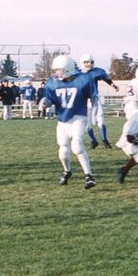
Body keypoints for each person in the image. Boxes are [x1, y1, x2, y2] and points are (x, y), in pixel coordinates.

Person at [42, 55, 98, 189]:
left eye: (59, 70)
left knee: (77, 146)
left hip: (78, 116)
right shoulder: (52, 83)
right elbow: (50, 99)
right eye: (55, 70)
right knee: (63, 150)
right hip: (63, 119)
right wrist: (45, 103)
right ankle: (67, 171)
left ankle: (89, 176)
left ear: (67, 69)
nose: (56, 73)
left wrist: (95, 114)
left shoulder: (83, 80)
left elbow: (94, 97)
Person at [79, 53, 119, 148]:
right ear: (82, 62)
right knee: (86, 124)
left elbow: (107, 79)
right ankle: (93, 141)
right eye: (86, 62)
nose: (89, 64)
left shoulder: (96, 71)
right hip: (83, 101)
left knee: (101, 121)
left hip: (94, 99)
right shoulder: (76, 73)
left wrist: (113, 86)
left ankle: (104, 139)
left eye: (91, 62)